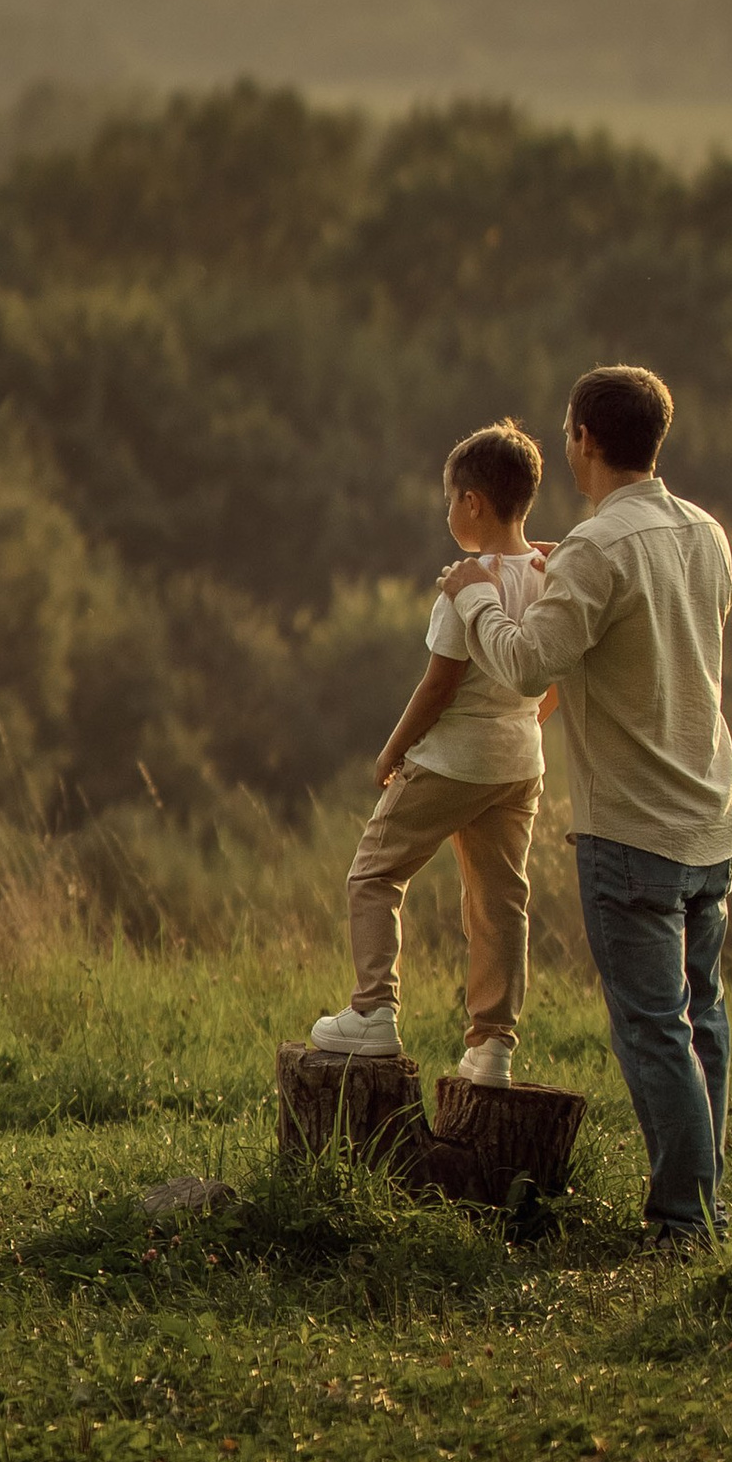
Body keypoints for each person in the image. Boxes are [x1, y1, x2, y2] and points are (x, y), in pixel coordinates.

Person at [441, 362, 732, 1256]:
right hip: (711, 814)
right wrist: (555, 571)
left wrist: (477, 594)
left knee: (653, 1032)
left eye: (568, 431)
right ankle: (706, 1206)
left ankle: (682, 1223)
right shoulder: (705, 533)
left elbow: (528, 665)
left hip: (632, 826)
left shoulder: (595, 549)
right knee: (702, 1020)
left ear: (583, 439)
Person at [307, 420, 556, 1089]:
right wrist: (525, 722)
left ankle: (374, 1012)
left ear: (472, 502)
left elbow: (439, 686)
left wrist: (392, 751)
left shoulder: (464, 586)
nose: (448, 511)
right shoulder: (549, 576)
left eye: (450, 499)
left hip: (452, 762)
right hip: (519, 765)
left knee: (374, 874)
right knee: (500, 903)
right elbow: (556, 670)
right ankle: (493, 1045)